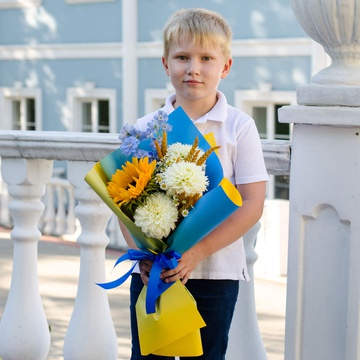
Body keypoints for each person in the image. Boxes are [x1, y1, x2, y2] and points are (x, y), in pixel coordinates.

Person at [119, 7, 268, 360]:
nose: (193, 68)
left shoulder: (239, 127)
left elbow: (252, 203)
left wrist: (197, 252)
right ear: (166, 63)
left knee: (207, 355)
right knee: (147, 355)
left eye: (206, 58)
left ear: (225, 67)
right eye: (182, 57)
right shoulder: (147, 126)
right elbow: (125, 203)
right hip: (156, 272)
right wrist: (143, 255)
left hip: (215, 273)